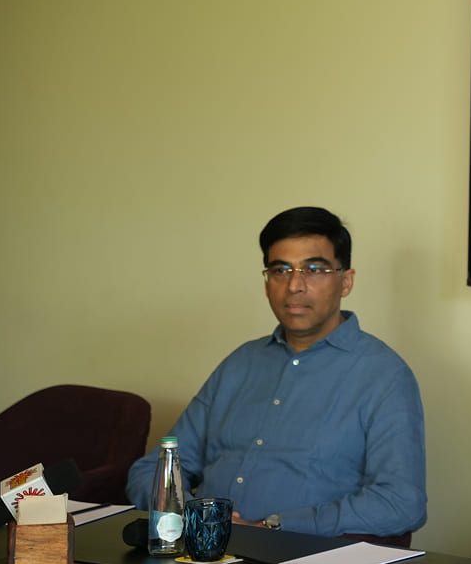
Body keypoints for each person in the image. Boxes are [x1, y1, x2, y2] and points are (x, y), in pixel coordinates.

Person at [126, 206, 426, 539]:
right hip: (200, 548)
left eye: (314, 269)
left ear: (346, 281)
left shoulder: (383, 376)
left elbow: (401, 503)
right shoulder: (241, 363)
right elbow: (152, 470)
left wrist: (273, 526)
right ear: (267, 282)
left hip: (300, 558)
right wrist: (193, 516)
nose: (295, 285)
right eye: (281, 270)